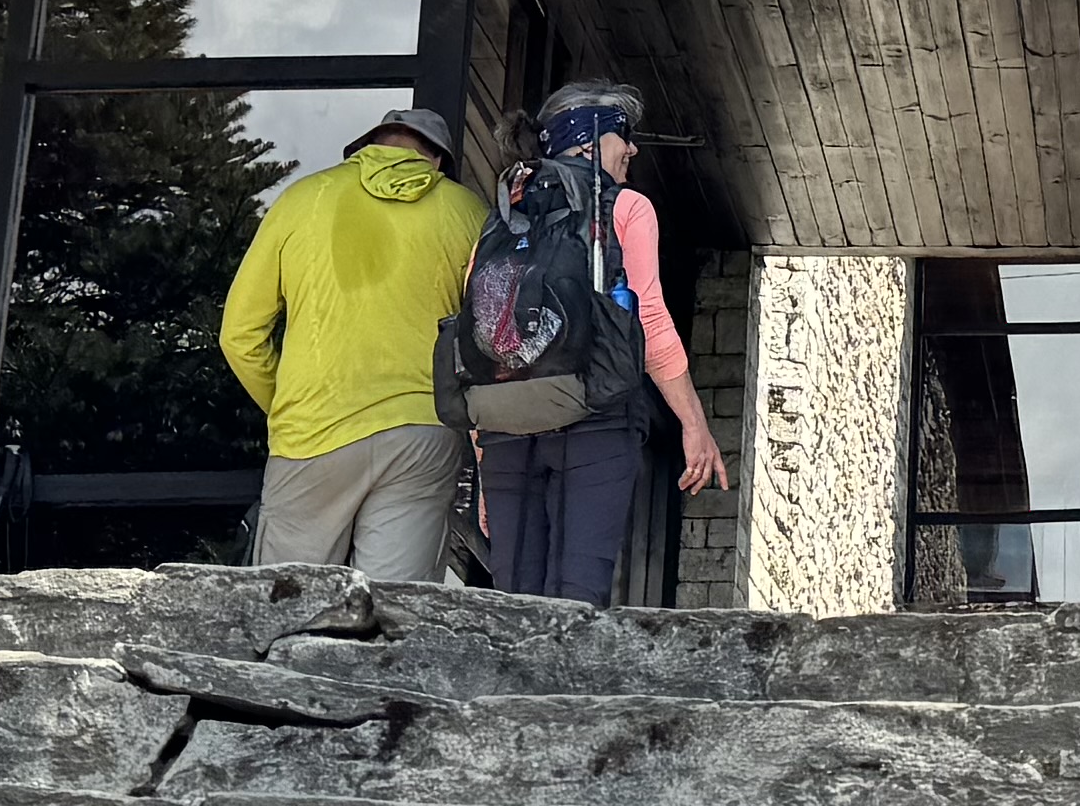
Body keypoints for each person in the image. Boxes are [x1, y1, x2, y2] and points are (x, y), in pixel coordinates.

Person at [477, 80, 727, 602]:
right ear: (589, 140)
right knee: (578, 598)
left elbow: (483, 340)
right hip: (597, 420)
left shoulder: (502, 215)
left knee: (513, 602)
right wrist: (694, 424)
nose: (631, 148)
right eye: (623, 135)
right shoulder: (626, 205)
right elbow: (648, 318)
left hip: (506, 430)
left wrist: (482, 464)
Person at [223, 104, 490, 581]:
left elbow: (239, 334)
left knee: (292, 603)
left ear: (366, 148)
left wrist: (288, 404)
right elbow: (489, 337)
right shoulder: (468, 212)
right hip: (422, 432)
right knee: (394, 607)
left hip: (313, 430)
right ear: (437, 161)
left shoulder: (304, 199)